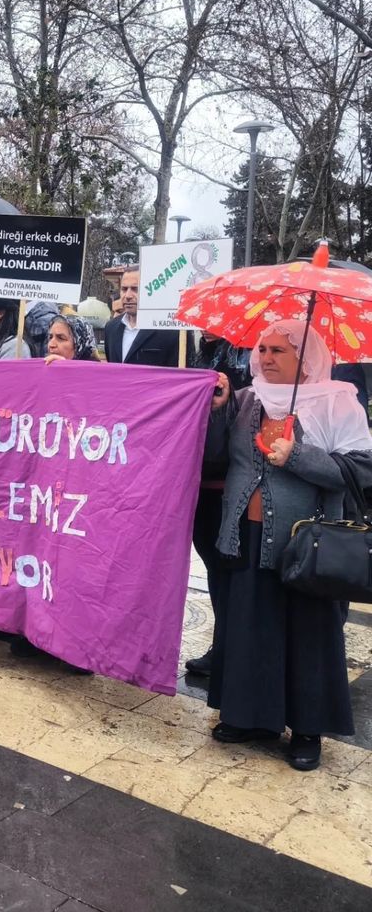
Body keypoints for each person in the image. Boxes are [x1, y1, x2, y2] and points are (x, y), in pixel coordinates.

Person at [206, 321, 372, 771]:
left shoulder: (338, 403)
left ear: (305, 361)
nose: (265, 357)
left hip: (305, 545)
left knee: (306, 637)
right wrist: (219, 410)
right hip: (247, 535)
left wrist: (296, 456)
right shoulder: (246, 399)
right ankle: (250, 717)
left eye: (278, 350)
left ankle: (305, 729)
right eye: (261, 349)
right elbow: (216, 456)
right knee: (249, 628)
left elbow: (360, 473)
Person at [186, 335, 253, 677]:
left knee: (228, 569)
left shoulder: (248, 360)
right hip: (200, 480)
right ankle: (223, 643)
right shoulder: (201, 356)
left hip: (231, 483)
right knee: (213, 565)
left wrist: (226, 402)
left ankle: (228, 647)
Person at [103, 267, 180, 366]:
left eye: (135, 289)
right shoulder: (111, 328)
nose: (128, 295)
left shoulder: (170, 330)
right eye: (124, 289)